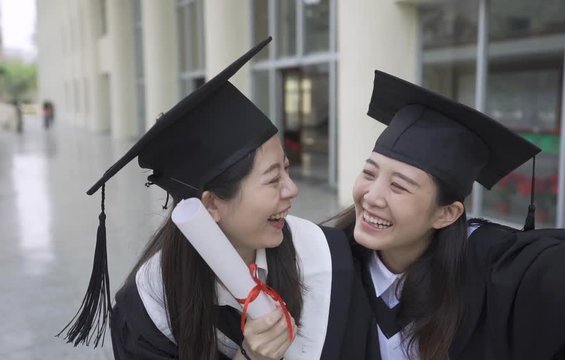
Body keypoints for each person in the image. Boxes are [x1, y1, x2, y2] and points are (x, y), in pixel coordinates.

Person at [59, 38, 361, 360]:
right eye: (274, 179)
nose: (292, 189)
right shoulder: (150, 303)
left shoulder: (325, 259)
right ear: (211, 205)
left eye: (287, 169)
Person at [331, 70, 565, 360]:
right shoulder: (326, 259)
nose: (371, 196)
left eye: (399, 187)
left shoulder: (494, 270)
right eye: (369, 173)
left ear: (447, 214)